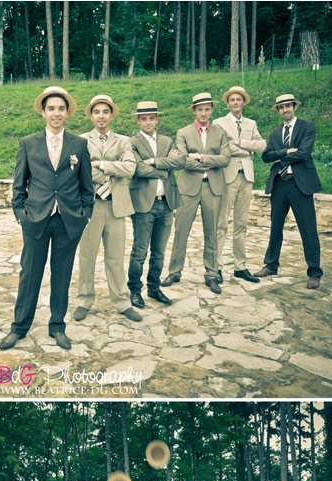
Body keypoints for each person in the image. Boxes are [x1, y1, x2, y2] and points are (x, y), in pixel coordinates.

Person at [0, 86, 94, 351]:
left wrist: (85, 214)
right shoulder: (29, 143)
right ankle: (19, 327)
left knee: (61, 275)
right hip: (36, 219)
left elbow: (87, 186)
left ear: (67, 113)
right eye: (51, 108)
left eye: (61, 109)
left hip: (68, 220)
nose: (56, 113)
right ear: (43, 112)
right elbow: (19, 184)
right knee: (29, 275)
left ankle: (57, 327)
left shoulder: (79, 144)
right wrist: (21, 215)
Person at [74, 94, 141, 323]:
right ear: (91, 115)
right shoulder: (81, 141)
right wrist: (114, 167)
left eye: (105, 112)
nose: (101, 116)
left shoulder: (123, 141)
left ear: (111, 115)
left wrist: (100, 164)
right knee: (87, 256)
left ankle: (122, 302)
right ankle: (83, 300)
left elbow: (130, 168)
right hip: (90, 206)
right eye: (96, 112)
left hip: (115, 206)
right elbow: (79, 172)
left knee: (115, 258)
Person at [163, 93, 230, 295]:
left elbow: (226, 158)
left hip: (213, 188)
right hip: (188, 189)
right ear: (194, 110)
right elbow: (182, 160)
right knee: (181, 231)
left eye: (207, 109)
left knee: (212, 233)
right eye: (199, 109)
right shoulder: (183, 132)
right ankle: (174, 272)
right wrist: (209, 162)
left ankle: (211, 274)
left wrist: (200, 157)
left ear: (211, 110)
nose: (203, 113)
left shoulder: (220, 132)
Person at [257, 93, 323, 289]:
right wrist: (286, 152)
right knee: (275, 227)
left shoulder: (307, 127)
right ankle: (271, 265)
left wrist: (279, 158)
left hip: (299, 184)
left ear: (294, 107)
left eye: (288, 106)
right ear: (278, 110)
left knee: (308, 229)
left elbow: (304, 153)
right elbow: (266, 156)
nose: (285, 109)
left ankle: (314, 272)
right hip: (279, 183)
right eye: (281, 107)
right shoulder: (275, 133)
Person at [127, 101, 184, 309]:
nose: (148, 122)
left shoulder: (168, 141)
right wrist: (163, 165)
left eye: (152, 118)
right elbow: (136, 169)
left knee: (159, 251)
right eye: (144, 118)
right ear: (138, 120)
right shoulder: (131, 142)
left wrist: (151, 161)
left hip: (166, 203)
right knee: (139, 251)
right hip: (144, 204)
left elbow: (180, 162)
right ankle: (134, 289)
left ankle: (153, 287)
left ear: (157, 119)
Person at [212, 86, 266, 284]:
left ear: (244, 102)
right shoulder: (219, 123)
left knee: (241, 224)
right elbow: (223, 148)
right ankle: (216, 267)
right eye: (232, 100)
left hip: (247, 178)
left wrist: (240, 143)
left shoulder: (251, 123)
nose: (235, 102)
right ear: (228, 103)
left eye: (239, 99)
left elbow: (262, 146)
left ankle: (240, 266)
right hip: (228, 177)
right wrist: (246, 148)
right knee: (221, 224)